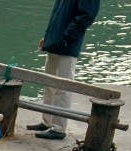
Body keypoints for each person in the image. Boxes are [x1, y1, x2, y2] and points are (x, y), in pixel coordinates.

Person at [27, 0, 100, 140]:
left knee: (63, 87)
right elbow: (57, 15)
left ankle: (59, 128)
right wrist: (48, 37)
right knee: (49, 84)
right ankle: (47, 121)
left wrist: (68, 36)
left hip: (68, 44)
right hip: (55, 41)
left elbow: (87, 15)